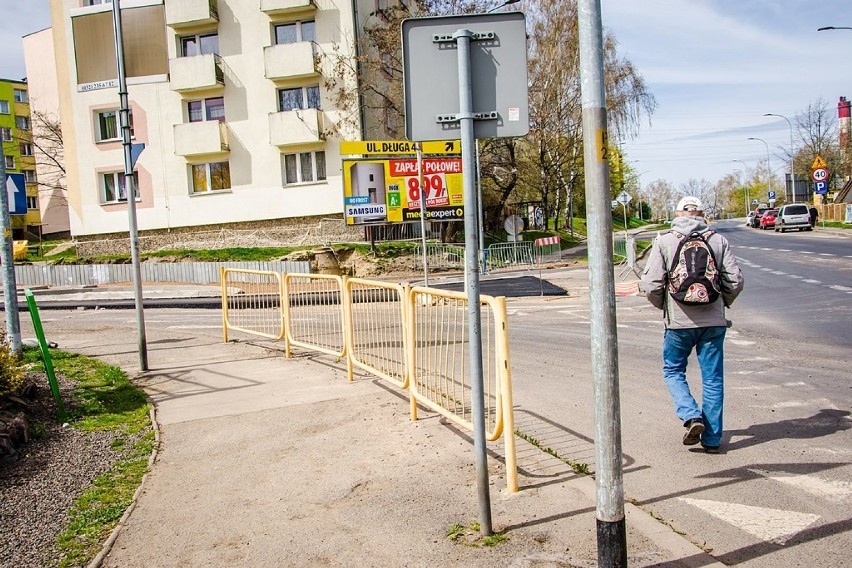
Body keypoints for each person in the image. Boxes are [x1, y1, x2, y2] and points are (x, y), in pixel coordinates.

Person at [640, 196, 744, 453]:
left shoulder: (664, 241)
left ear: (677, 214)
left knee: (673, 371)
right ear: (702, 214)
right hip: (714, 322)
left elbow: (652, 284)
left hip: (678, 323)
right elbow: (736, 281)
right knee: (713, 378)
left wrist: (665, 307)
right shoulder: (718, 241)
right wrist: (722, 304)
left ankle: (691, 415)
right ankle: (711, 439)